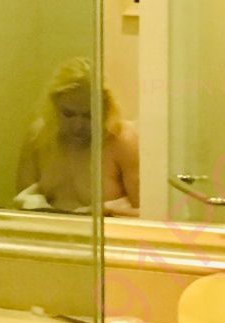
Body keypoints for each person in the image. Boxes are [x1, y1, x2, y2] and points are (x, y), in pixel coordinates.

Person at [15, 57, 140, 216]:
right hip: (49, 229)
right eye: (68, 114)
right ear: (54, 105)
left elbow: (147, 213)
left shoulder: (122, 140)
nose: (78, 126)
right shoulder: (40, 135)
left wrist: (107, 209)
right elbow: (21, 205)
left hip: (107, 230)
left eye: (89, 116)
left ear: (106, 110)